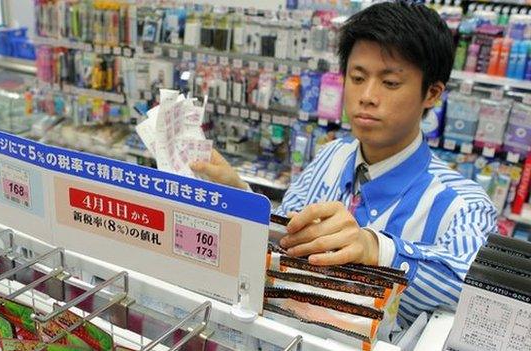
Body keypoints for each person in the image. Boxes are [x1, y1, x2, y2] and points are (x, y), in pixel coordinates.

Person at [191, 0, 497, 328]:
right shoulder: (331, 156)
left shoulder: (462, 204)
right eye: (357, 77)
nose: (367, 95)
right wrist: (241, 198)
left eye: (390, 83)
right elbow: (286, 240)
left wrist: (377, 248)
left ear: (432, 93)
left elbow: (478, 295)